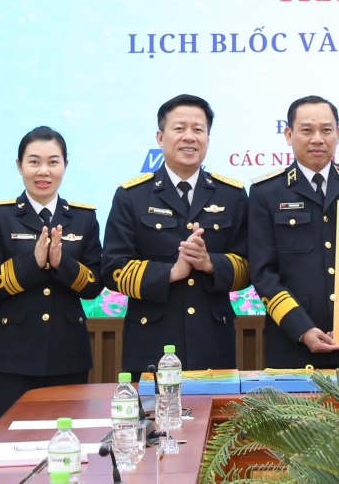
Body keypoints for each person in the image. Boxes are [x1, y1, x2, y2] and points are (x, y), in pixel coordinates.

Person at [102, 94, 250, 376]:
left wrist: (210, 264)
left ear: (208, 138)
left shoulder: (232, 195)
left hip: (212, 342)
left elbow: (249, 266)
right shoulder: (132, 195)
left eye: (198, 129)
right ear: (160, 137)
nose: (189, 137)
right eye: (179, 128)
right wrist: (171, 272)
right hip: (150, 342)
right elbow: (113, 269)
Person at [249, 96, 339, 368]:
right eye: (307, 130)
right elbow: (263, 273)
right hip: (292, 343)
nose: (317, 139)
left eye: (326, 130)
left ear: (338, 134)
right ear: (289, 135)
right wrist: (302, 329)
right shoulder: (266, 192)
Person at [0, 126, 105, 424]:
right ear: (19, 166)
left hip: (68, 354)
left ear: (65, 166)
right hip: (10, 357)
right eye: (34, 162)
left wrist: (61, 264)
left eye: (52, 162)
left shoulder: (83, 217)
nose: (43, 171)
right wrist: (31, 263)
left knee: (67, 442)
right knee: (10, 442)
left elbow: (94, 285)